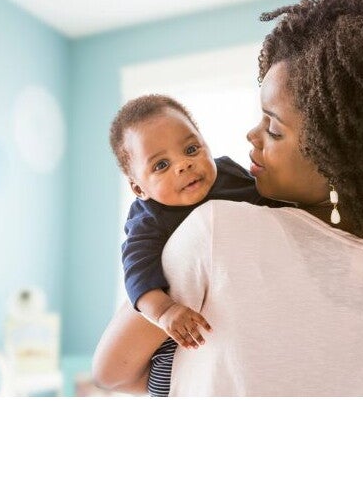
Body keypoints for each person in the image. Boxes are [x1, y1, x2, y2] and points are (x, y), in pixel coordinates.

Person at [93, 0, 363, 396]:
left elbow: (111, 372)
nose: (252, 135)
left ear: (337, 154)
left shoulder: (218, 229)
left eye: (274, 129)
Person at [108, 94, 284, 396]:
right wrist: (165, 312)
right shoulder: (148, 217)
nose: (183, 165)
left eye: (191, 149)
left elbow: (272, 208)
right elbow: (137, 274)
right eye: (161, 165)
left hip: (237, 317)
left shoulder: (229, 173)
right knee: (169, 381)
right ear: (139, 187)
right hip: (178, 333)